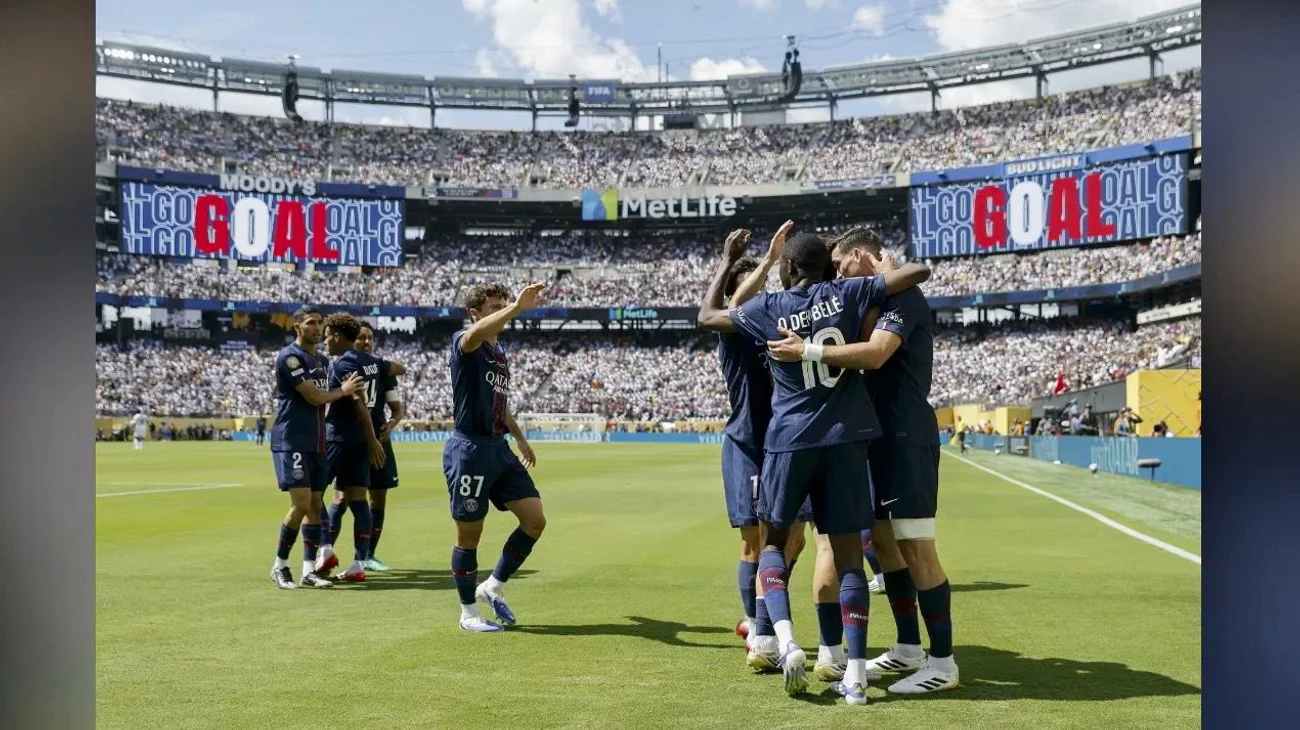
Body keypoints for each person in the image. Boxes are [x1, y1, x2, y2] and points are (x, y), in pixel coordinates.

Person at [698, 225, 931, 704]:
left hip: (788, 440)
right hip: (847, 439)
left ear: (788, 267)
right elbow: (919, 271)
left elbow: (709, 316)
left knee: (774, 544)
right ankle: (856, 675)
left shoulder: (770, 307)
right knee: (848, 558)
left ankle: (781, 641)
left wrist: (737, 262)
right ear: (827, 268)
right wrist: (881, 269)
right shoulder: (848, 293)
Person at [767, 226, 958, 694]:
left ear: (860, 256)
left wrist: (807, 349)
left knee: (917, 547)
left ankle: (943, 663)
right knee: (886, 546)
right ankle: (909, 648)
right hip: (875, 437)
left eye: (840, 264)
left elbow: (875, 355)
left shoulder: (904, 297)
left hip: (905, 435)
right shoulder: (870, 298)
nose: (835, 274)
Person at [706, 226, 817, 675]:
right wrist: (761, 261)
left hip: (787, 442)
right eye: (749, 287)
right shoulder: (735, 330)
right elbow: (725, 307)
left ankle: (762, 618)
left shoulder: (775, 320)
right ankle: (759, 627)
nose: (758, 294)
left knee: (796, 540)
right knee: (756, 540)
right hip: (749, 443)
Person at [445, 282, 549, 633]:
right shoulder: (465, 341)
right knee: (469, 536)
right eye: (495, 306)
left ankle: (492, 585)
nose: (502, 310)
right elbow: (473, 334)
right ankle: (468, 614)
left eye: (504, 304)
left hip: (498, 449)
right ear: (475, 313)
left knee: (535, 520)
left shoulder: (499, 353)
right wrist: (517, 307)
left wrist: (519, 438)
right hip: (470, 451)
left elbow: (499, 405)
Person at [268, 305, 364, 590]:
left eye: (320, 322)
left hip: (317, 442)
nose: (317, 327)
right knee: (299, 504)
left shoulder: (321, 359)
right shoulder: (290, 358)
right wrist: (342, 391)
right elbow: (312, 396)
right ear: (297, 327)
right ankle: (280, 565)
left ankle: (309, 569)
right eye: (310, 322)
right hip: (292, 441)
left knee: (313, 505)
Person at [316, 313, 395, 584]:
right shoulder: (371, 362)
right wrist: (370, 438)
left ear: (337, 336)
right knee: (359, 500)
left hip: (340, 436)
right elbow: (396, 369)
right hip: (361, 440)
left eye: (327, 336)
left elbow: (359, 403)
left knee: (312, 493)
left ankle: (325, 548)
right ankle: (358, 564)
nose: (325, 341)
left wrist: (373, 439)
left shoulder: (343, 364)